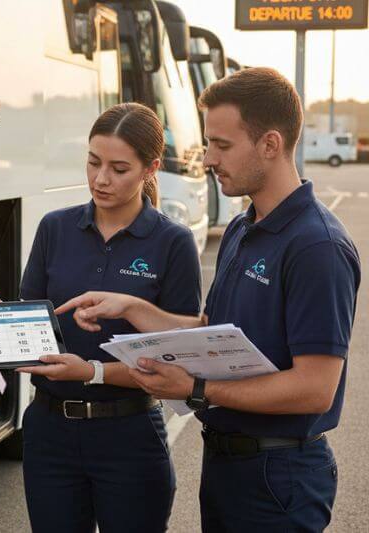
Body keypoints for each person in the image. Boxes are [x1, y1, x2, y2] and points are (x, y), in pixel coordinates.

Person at [58, 68, 360, 532]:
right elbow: (210, 330)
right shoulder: (243, 228)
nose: (208, 160)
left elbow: (314, 389)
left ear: (270, 145)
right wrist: (134, 308)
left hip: (280, 476)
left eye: (221, 145)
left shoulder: (316, 247)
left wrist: (195, 389)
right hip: (227, 467)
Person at [2, 102, 202, 533]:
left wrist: (91, 372)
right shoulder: (54, 228)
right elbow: (36, 327)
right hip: (49, 433)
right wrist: (7, 329)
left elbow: (180, 356)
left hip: (129, 436)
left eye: (118, 168)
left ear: (150, 169)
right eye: (93, 163)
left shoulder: (173, 242)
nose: (100, 179)